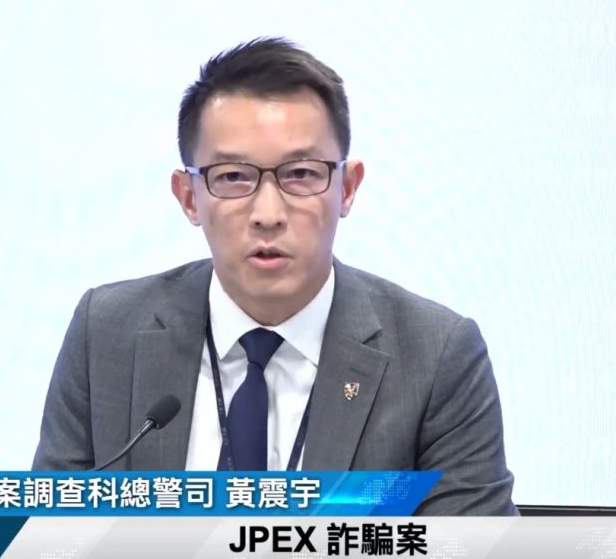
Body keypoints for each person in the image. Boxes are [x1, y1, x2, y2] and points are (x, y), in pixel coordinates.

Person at [32, 37, 517, 515]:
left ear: (347, 188)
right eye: (232, 177)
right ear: (188, 197)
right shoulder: (106, 334)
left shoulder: (436, 358)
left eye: (301, 174)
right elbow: (48, 534)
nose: (268, 214)